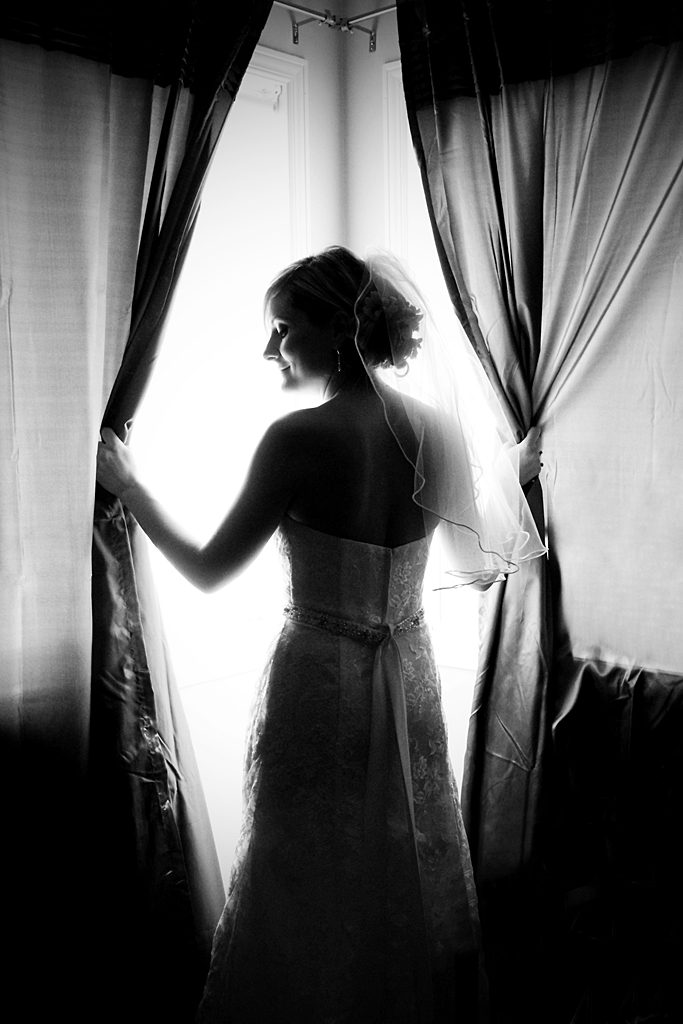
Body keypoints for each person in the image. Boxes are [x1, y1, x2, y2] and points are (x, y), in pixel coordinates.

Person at [96, 246, 543, 1023]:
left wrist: (130, 487)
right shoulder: (436, 431)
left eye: (282, 328)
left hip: (317, 680)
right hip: (408, 675)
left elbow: (208, 569)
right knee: (400, 850)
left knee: (302, 860)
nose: (270, 349)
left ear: (339, 329)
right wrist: (509, 474)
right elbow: (477, 560)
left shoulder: (298, 437)